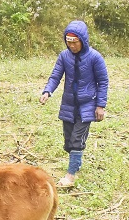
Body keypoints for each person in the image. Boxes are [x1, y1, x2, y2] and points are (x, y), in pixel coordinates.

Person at [40, 20, 109, 188]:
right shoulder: (64, 57)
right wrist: (47, 91)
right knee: (69, 141)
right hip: (69, 104)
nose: (72, 46)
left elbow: (103, 81)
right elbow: (55, 76)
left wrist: (100, 105)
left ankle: (70, 176)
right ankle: (76, 162)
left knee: (77, 140)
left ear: (83, 41)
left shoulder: (95, 57)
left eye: (75, 42)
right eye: (68, 42)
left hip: (87, 106)